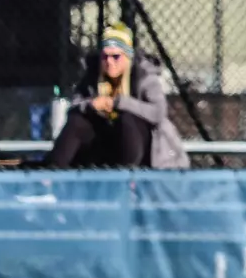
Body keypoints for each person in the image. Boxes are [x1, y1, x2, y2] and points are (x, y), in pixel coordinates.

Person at [49, 24, 187, 169]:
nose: (109, 62)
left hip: (141, 148)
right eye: (105, 56)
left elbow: (158, 113)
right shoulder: (93, 75)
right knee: (77, 121)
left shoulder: (144, 77)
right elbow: (74, 106)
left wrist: (120, 102)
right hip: (103, 140)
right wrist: (91, 105)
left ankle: (126, 177)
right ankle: (51, 175)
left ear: (127, 56)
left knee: (126, 118)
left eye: (116, 57)